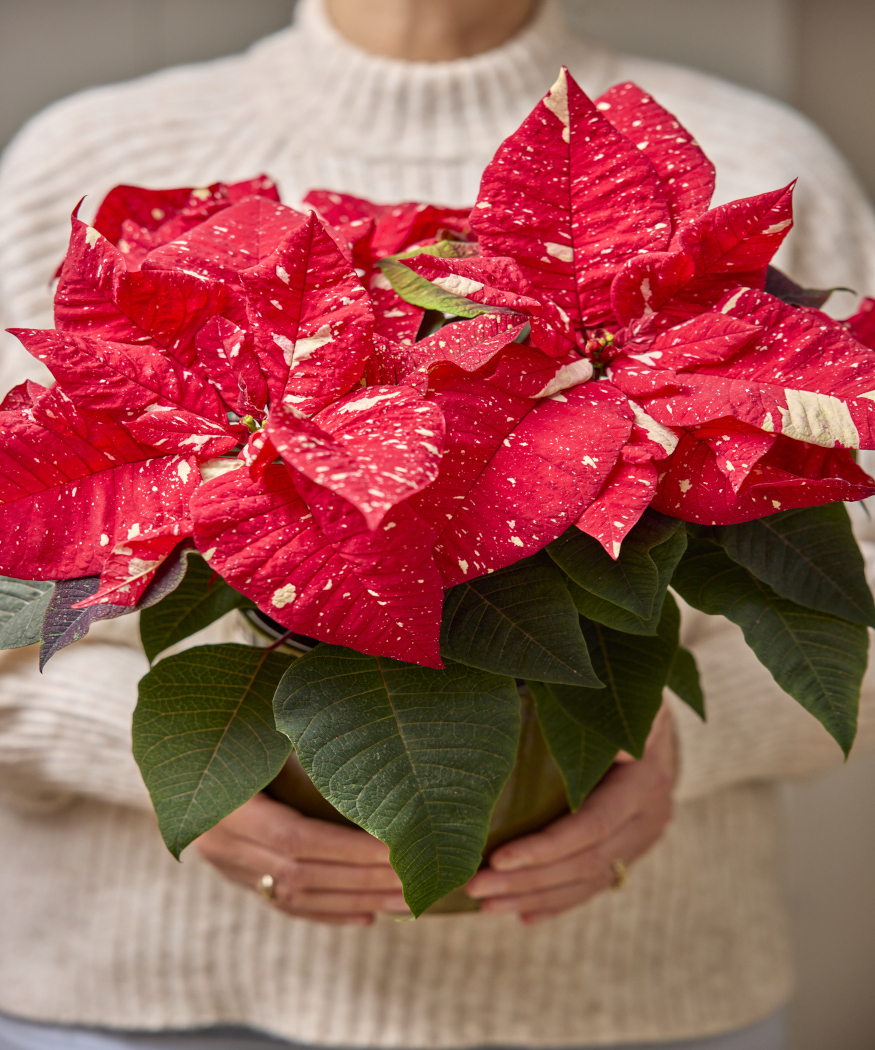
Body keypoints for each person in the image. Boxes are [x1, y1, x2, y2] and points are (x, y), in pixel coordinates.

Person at [0, 1, 874, 1048]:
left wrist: (686, 741)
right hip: (141, 1000)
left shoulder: (755, 150)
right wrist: (149, 763)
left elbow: (852, 600)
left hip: (628, 1004)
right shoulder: (97, 155)